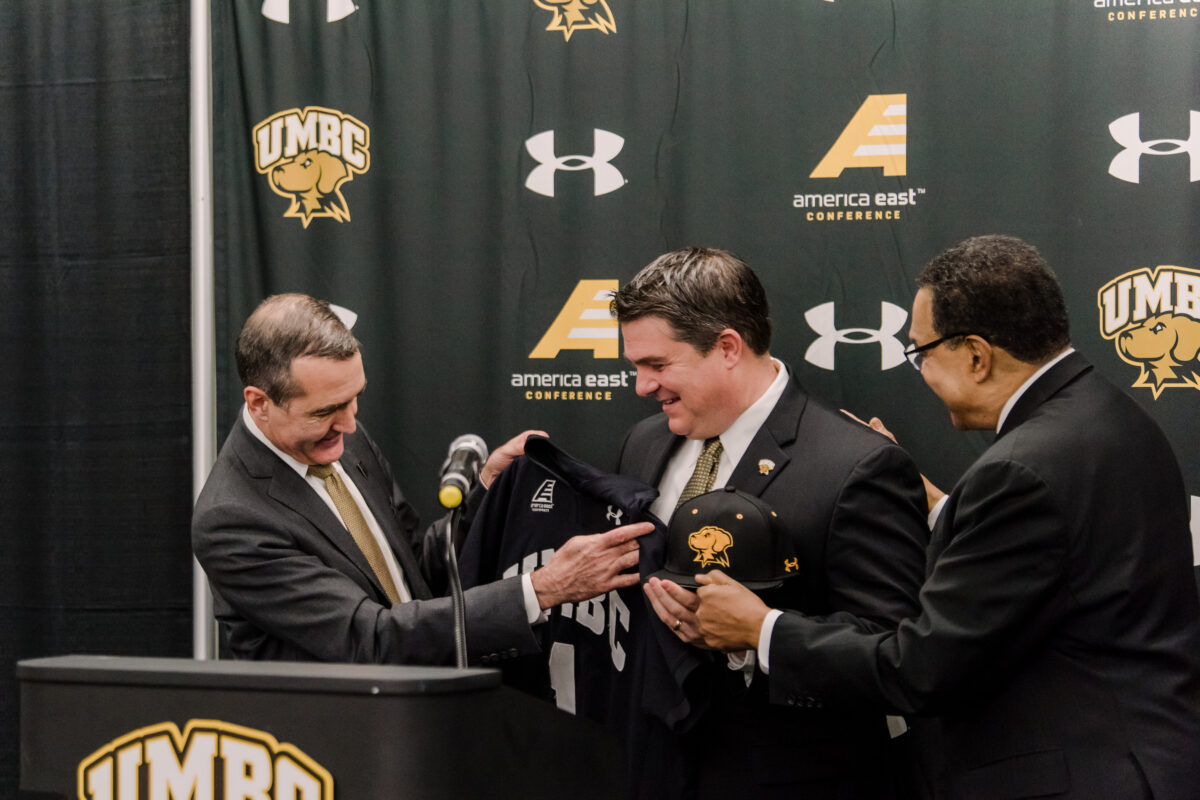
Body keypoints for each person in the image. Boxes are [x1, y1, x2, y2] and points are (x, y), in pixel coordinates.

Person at [694, 235, 1200, 799]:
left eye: (922, 353)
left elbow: (919, 669)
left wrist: (762, 629)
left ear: (977, 356)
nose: (921, 372)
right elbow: (1064, 560)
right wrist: (943, 507)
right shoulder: (1109, 416)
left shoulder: (1019, 471)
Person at [611, 248, 931, 798]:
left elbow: (898, 651)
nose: (641, 386)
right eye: (635, 366)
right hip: (654, 770)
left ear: (728, 347)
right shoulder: (644, 444)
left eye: (657, 366)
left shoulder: (857, 464)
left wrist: (757, 634)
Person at [192, 293, 650, 665]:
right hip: (337, 750)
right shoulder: (233, 519)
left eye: (355, 399)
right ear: (258, 402)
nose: (350, 425)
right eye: (326, 412)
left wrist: (485, 493)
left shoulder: (342, 438)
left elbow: (414, 572)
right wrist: (543, 588)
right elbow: (368, 637)